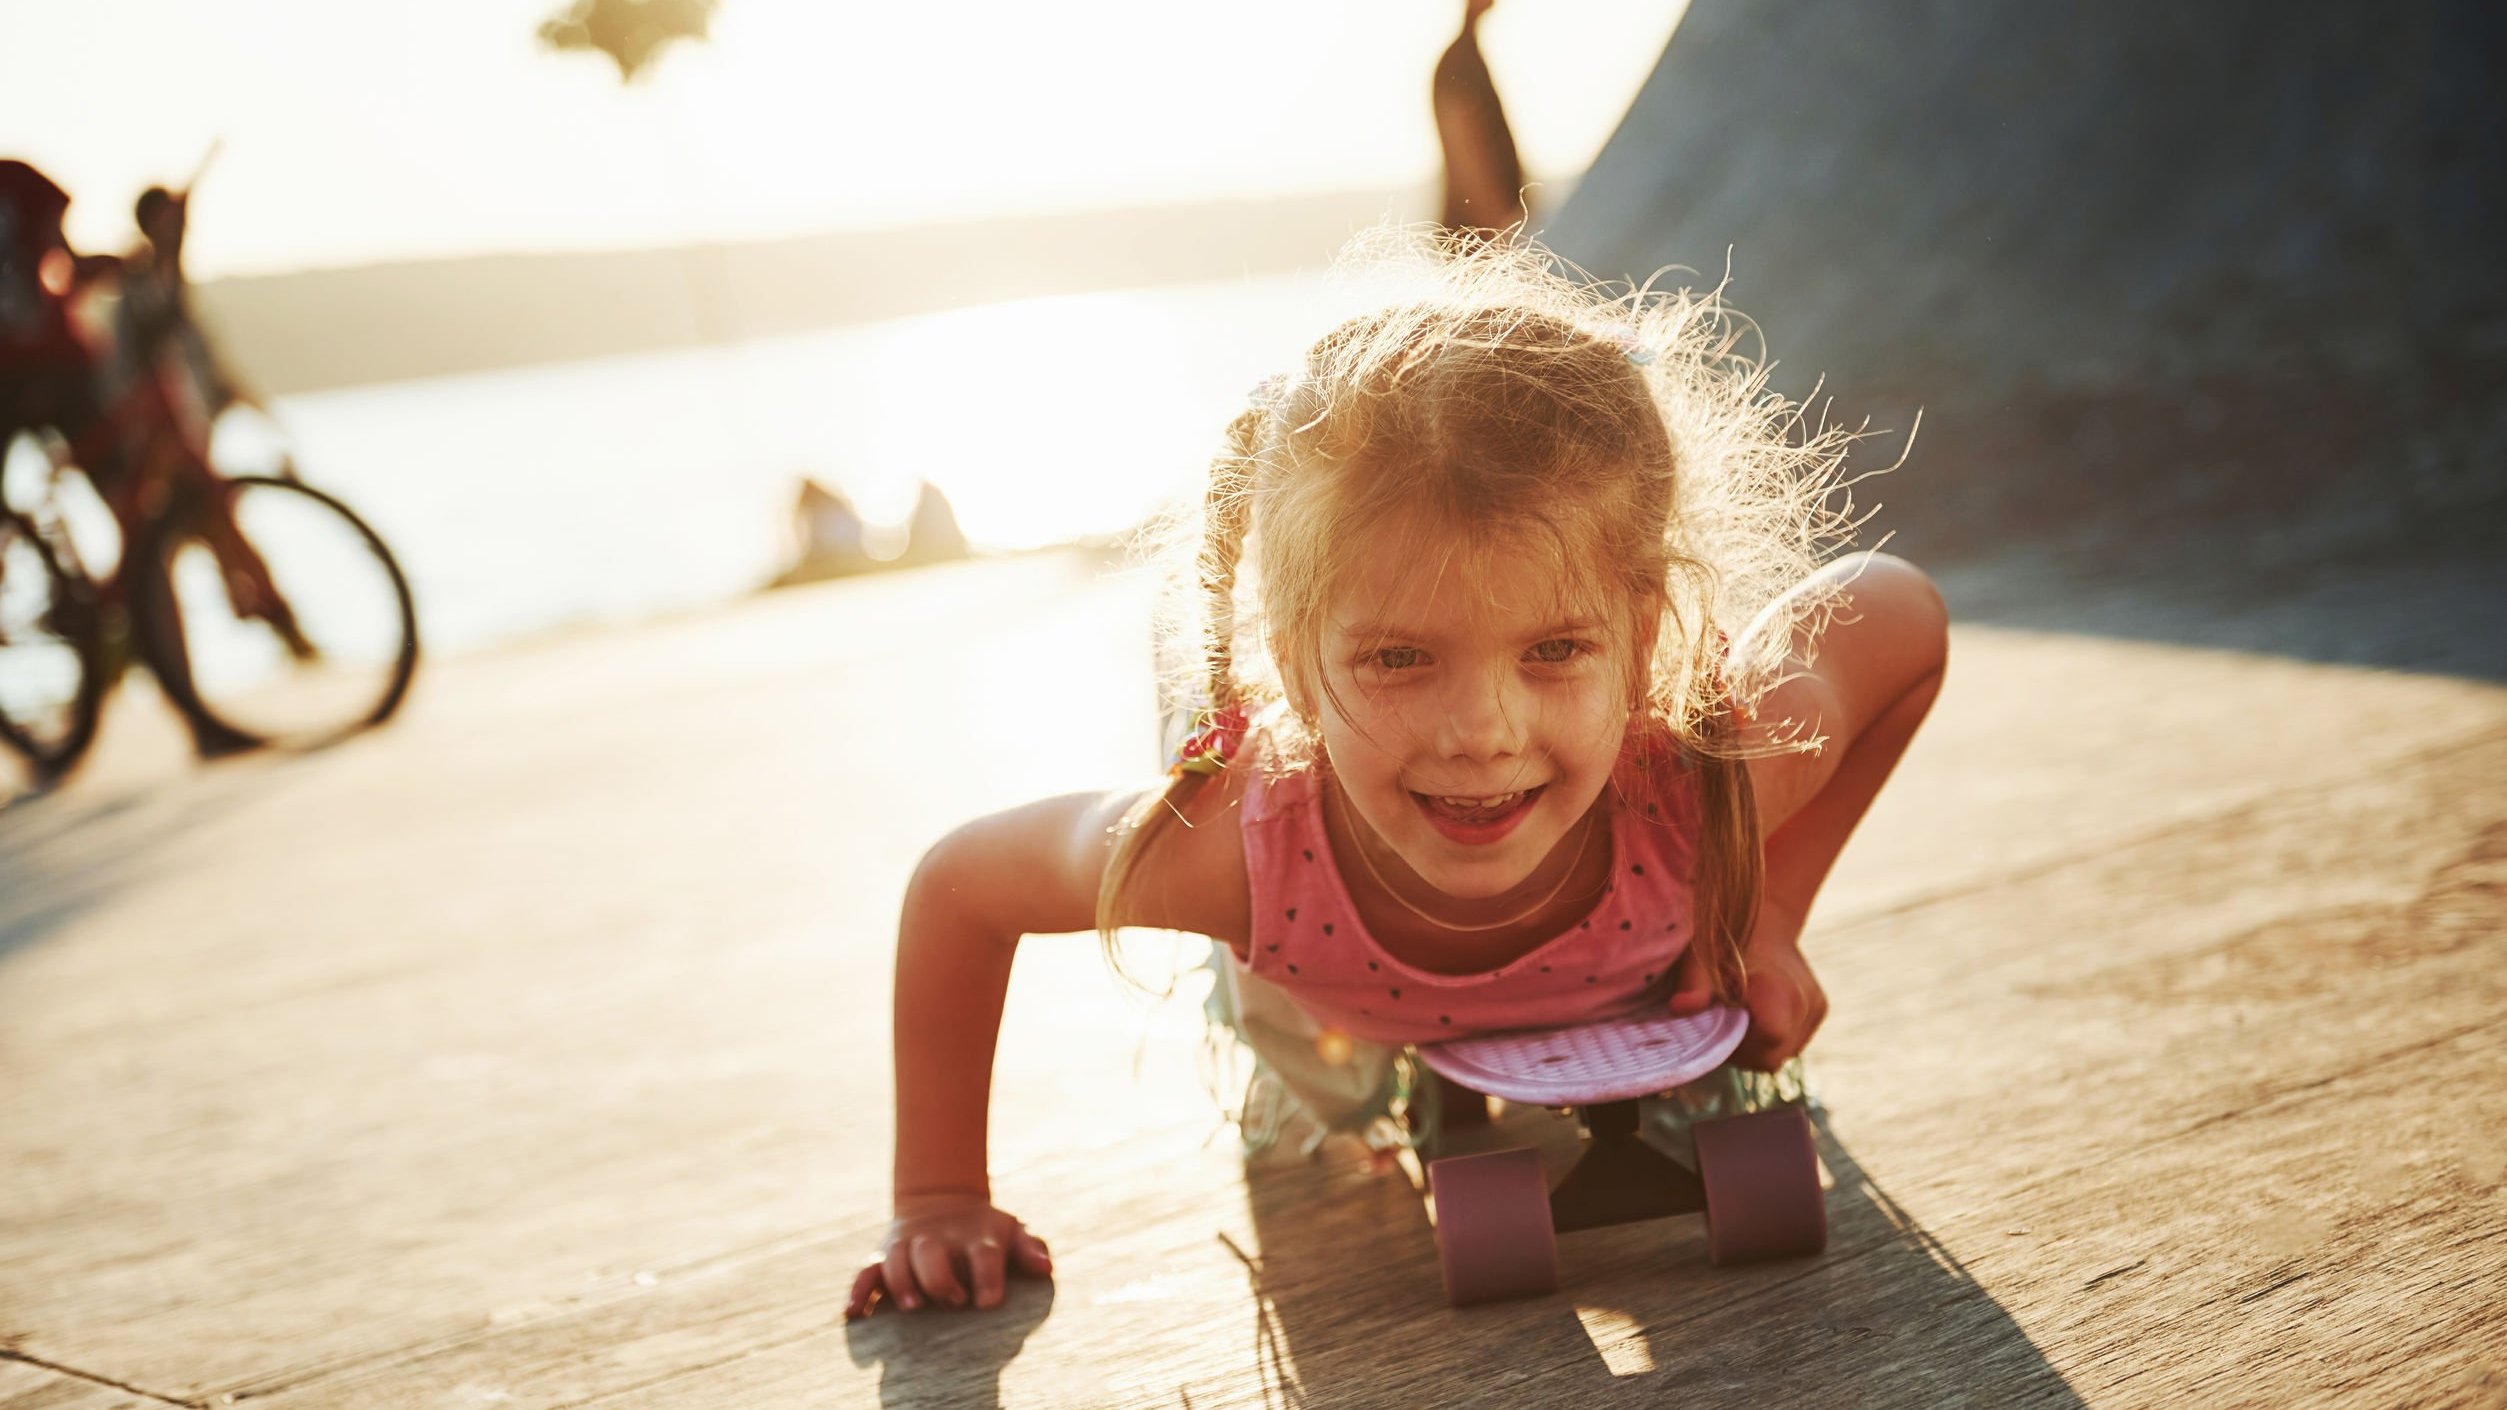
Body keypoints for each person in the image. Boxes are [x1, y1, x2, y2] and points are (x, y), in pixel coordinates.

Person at [843, 236, 1948, 1318]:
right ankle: (1214, 677)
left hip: (1617, 897)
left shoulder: (1710, 784)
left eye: (1554, 650)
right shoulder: (1231, 852)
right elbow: (963, 885)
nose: (1480, 730)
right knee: (1237, 867)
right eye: (1398, 657)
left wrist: (1762, 911)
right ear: (1295, 660)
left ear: (1641, 630)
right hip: (1318, 1005)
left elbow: (1895, 610)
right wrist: (937, 1195)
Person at [1434, 0, 1528, 238]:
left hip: (1482, 233)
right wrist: (1497, 227)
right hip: (1475, 237)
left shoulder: (1466, 56)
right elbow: (1463, 144)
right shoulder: (1460, 61)